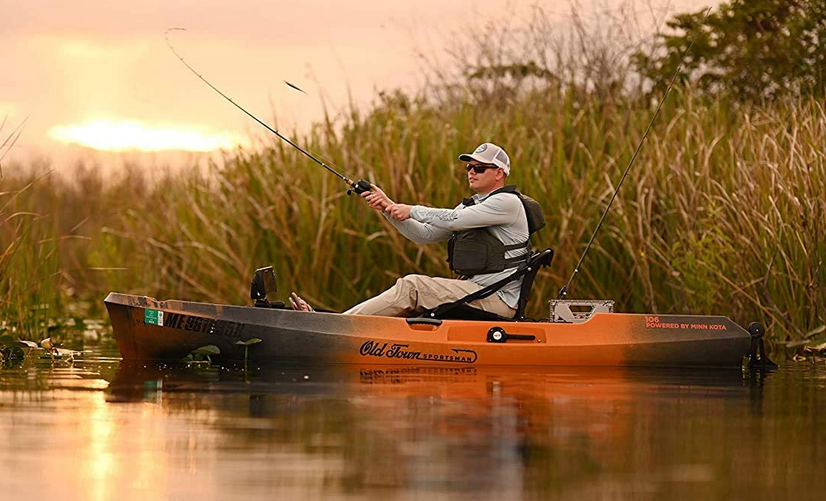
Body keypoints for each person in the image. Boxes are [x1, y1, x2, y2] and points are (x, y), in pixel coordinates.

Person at [289, 142, 544, 318]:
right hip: (478, 291)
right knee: (412, 292)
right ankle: (335, 321)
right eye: (468, 167)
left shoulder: (507, 202)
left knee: (413, 286)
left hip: (497, 300)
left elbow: (454, 220)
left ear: (500, 173)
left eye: (479, 167)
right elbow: (424, 235)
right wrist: (388, 208)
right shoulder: (476, 205)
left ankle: (334, 325)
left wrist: (411, 209)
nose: (471, 172)